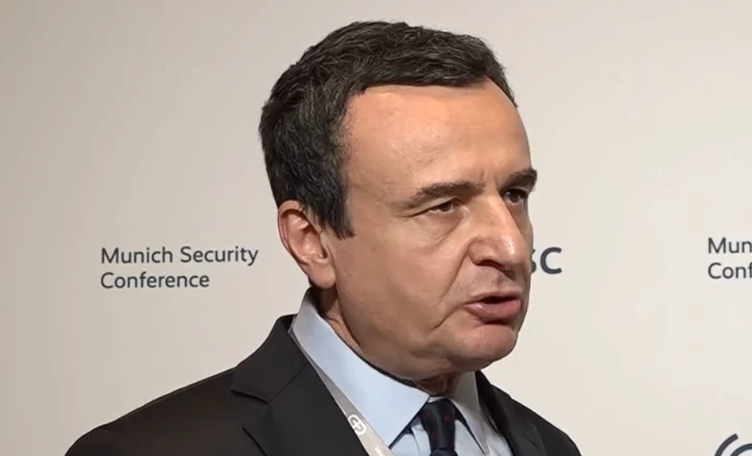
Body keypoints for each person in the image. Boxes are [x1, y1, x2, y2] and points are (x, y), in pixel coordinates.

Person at [65, 20, 581, 456]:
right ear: (311, 240)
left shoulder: (551, 447)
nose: (511, 247)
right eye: (444, 205)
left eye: (514, 194)